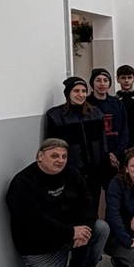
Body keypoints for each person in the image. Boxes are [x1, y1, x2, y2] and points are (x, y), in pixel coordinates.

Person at [6, 138, 109, 267]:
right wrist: (70, 232)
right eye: (54, 156)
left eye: (64, 156)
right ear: (40, 156)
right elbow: (35, 221)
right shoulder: (23, 183)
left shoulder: (72, 173)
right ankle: (58, 266)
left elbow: (87, 204)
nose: (60, 160)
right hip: (39, 245)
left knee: (100, 228)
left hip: (69, 235)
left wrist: (84, 229)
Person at [45, 76, 108, 206]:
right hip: (70, 172)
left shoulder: (95, 113)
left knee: (92, 206)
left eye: (84, 91)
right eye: (76, 91)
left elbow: (103, 142)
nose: (81, 94)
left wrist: (104, 166)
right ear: (68, 93)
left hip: (94, 172)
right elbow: (52, 146)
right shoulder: (56, 116)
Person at [87, 68, 129, 182]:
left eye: (105, 80)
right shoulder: (86, 104)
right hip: (95, 158)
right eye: (98, 80)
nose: (102, 84)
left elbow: (124, 131)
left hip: (116, 157)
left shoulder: (117, 104)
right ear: (92, 83)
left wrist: (115, 153)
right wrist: (105, 155)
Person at [115, 65, 134, 133]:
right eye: (123, 78)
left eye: (129, 77)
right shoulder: (114, 101)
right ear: (117, 79)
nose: (126, 81)